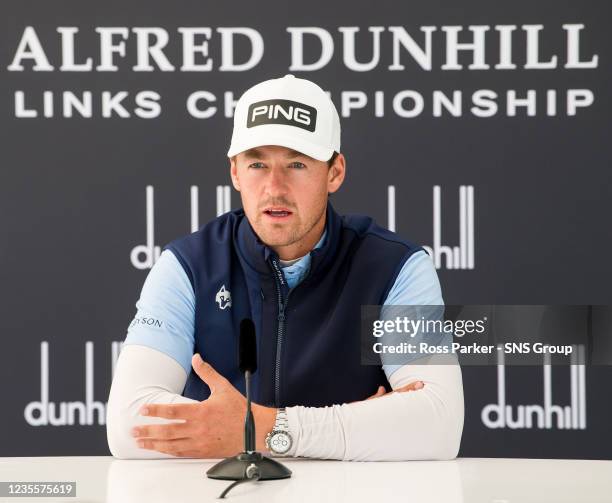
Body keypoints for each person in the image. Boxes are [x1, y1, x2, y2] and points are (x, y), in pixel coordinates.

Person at [106, 74, 464, 461]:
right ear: (235, 172)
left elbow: (439, 426)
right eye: (258, 163)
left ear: (335, 172)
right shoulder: (188, 265)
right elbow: (129, 427)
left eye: (296, 163)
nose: (274, 187)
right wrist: (361, 426)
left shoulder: (396, 267)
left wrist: (259, 430)